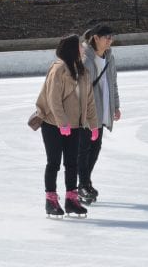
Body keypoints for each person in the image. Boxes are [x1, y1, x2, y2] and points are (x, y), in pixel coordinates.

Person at [30, 34, 98, 218]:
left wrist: (93, 125)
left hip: (75, 125)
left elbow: (89, 101)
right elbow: (53, 99)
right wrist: (62, 122)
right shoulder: (58, 69)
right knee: (54, 163)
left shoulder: (83, 71)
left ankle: (71, 199)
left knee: (72, 163)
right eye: (80, 46)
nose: (84, 48)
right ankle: (51, 201)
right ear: (72, 49)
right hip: (53, 124)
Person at [77, 24, 120, 205]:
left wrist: (116, 106)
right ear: (96, 38)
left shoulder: (109, 57)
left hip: (103, 109)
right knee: (84, 149)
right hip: (88, 111)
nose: (110, 40)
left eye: (111, 37)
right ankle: (82, 185)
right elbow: (79, 85)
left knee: (95, 148)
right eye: (107, 37)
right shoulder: (86, 57)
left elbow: (113, 82)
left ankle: (85, 182)